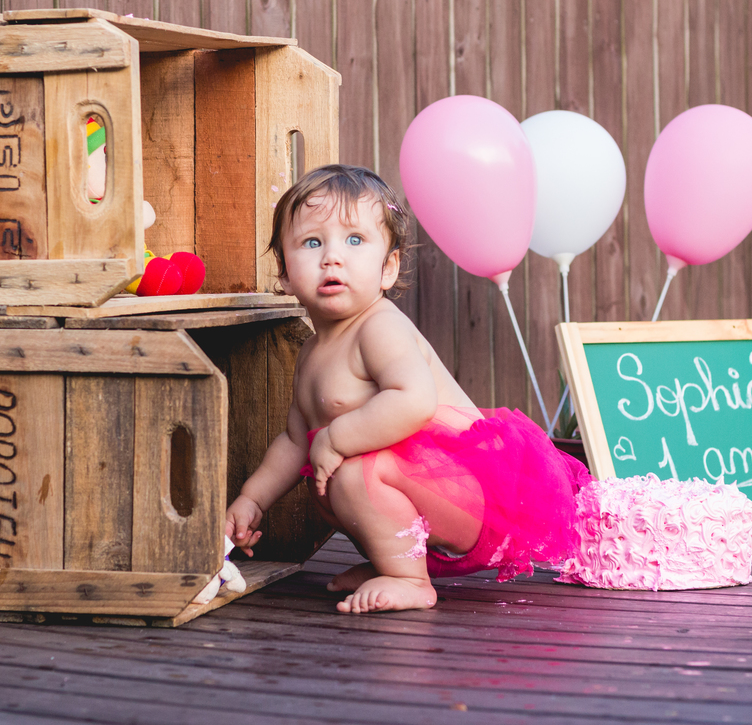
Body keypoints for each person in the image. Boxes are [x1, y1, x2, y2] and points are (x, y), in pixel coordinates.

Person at [225, 164, 589, 614]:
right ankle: (392, 561)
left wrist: (336, 437)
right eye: (312, 242)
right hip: (430, 494)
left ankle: (410, 580)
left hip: (471, 493)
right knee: (327, 479)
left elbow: (414, 401)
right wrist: (252, 500)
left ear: (388, 268)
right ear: (284, 273)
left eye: (354, 240)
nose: (332, 257)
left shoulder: (379, 328)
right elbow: (295, 440)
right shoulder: (311, 351)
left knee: (350, 472)